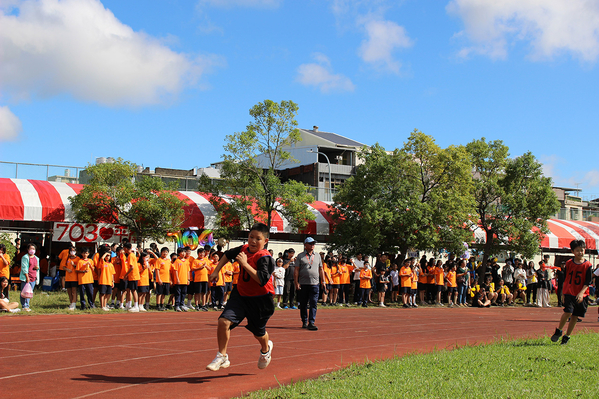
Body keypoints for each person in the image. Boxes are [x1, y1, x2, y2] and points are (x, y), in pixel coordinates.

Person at [206, 223, 275, 372]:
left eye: (258, 238)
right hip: (241, 295)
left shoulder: (265, 258)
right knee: (223, 321)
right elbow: (227, 255)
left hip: (260, 300)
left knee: (258, 333)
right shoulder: (243, 249)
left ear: (265, 241)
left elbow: (261, 280)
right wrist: (217, 271)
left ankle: (265, 349)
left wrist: (244, 263)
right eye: (251, 237)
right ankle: (222, 355)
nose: (253, 241)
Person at [551, 240, 593, 345]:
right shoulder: (569, 263)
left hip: (581, 294)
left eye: (582, 250)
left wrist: (581, 293)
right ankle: (559, 330)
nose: (580, 252)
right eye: (577, 250)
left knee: (575, 316)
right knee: (568, 311)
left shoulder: (588, 265)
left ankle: (567, 336)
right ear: (573, 251)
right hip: (569, 291)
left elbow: (588, 281)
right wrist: (564, 294)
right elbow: (566, 279)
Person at [295, 237, 324, 330]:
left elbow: (321, 269)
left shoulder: (318, 256)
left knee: (313, 303)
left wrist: (323, 281)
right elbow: (296, 270)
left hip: (315, 283)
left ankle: (311, 322)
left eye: (313, 244)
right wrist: (296, 282)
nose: (312, 245)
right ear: (305, 245)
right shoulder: (300, 256)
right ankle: (304, 321)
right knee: (303, 304)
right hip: (303, 283)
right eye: (310, 243)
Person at [150, 247, 171, 311]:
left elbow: (169, 270)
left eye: (166, 252)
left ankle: (162, 305)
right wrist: (158, 279)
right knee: (159, 293)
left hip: (167, 279)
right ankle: (158, 305)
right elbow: (157, 270)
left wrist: (170, 279)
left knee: (164, 294)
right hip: (161, 279)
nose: (165, 253)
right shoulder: (159, 260)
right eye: (164, 252)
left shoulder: (168, 261)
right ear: (161, 252)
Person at [19, 243, 39, 312]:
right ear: (27, 249)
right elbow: (24, 268)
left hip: (33, 277)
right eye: (31, 249)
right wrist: (27, 277)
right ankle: (24, 305)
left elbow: (37, 268)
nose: (32, 250)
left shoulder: (36, 258)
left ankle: (27, 305)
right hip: (26, 277)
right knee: (24, 292)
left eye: (33, 249)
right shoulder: (25, 257)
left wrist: (37, 268)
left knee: (29, 292)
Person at [121, 243, 140, 312]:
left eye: (124, 248)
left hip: (133, 275)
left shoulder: (130, 255)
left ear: (126, 248)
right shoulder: (131, 255)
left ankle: (136, 306)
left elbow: (132, 267)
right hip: (131, 276)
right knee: (129, 290)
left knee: (134, 290)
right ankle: (128, 305)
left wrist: (126, 274)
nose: (123, 249)